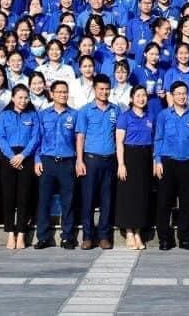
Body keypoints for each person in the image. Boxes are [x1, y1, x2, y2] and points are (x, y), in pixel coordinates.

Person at [153, 81, 189, 251]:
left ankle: (185, 239)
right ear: (172, 96)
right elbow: (158, 138)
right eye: (178, 93)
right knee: (164, 202)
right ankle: (164, 239)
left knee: (188, 203)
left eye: (184, 93)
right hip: (168, 162)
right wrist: (157, 160)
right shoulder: (164, 115)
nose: (181, 96)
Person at [34, 80, 80, 249]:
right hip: (47, 161)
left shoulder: (74, 115)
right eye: (59, 92)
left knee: (68, 201)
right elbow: (37, 139)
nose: (62, 95)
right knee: (44, 200)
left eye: (65, 92)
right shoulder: (43, 115)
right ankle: (43, 237)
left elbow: (78, 140)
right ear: (52, 94)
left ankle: (67, 237)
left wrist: (78, 161)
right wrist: (37, 159)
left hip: (67, 162)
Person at [76, 73, 119, 249]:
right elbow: (80, 136)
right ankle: (87, 236)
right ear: (94, 89)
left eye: (107, 89)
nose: (104, 92)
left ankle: (104, 236)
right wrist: (79, 161)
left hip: (109, 160)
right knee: (88, 199)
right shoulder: (85, 110)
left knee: (107, 200)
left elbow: (118, 136)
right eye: (101, 89)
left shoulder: (115, 110)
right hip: (91, 160)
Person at [0, 84, 41, 250]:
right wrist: (12, 156)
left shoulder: (33, 115)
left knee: (24, 197)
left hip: (26, 157)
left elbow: (36, 137)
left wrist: (23, 155)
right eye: (20, 97)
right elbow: (1, 137)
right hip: (8, 157)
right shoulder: (4, 115)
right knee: (8, 197)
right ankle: (10, 233)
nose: (23, 100)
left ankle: (21, 233)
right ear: (13, 98)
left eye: (26, 97)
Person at [115, 84, 154, 250]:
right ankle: (129, 232)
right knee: (128, 196)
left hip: (145, 158)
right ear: (131, 98)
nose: (141, 98)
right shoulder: (125, 117)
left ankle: (138, 232)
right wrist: (121, 164)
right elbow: (119, 142)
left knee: (142, 196)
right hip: (129, 157)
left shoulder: (150, 117)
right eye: (137, 95)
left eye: (143, 95)